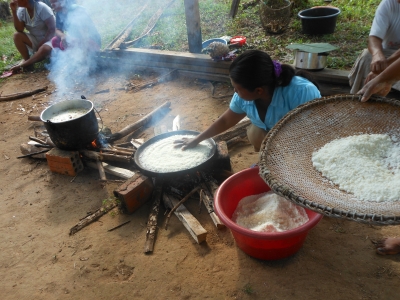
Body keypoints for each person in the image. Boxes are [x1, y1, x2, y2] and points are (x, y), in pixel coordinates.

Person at [174, 50, 321, 152]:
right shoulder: (244, 96)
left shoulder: (302, 93)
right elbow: (225, 121)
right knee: (256, 134)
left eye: (237, 89)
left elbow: (311, 136)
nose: (234, 92)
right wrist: (197, 139)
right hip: (275, 133)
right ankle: (267, 157)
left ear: (258, 91)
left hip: (302, 139)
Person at [348, 0, 400, 94]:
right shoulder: (388, 3)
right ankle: (360, 99)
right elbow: (374, 37)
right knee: (367, 56)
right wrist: (377, 55)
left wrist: (384, 67)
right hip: (389, 52)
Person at [9, 0, 55, 72]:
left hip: (50, 39)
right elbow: (19, 29)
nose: (14, 1)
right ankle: (28, 61)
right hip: (35, 39)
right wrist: (14, 11)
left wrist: (43, 42)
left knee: (45, 49)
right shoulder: (21, 11)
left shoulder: (42, 8)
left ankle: (24, 65)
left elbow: (52, 29)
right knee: (17, 36)